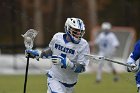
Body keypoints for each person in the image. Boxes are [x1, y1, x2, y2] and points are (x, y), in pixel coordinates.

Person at [25, 18, 90, 93]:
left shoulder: (83, 45)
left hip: (70, 83)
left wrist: (69, 64)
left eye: (80, 31)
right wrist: (39, 54)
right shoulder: (57, 37)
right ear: (68, 28)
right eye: (76, 31)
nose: (78, 34)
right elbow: (51, 51)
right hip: (55, 78)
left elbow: (81, 68)